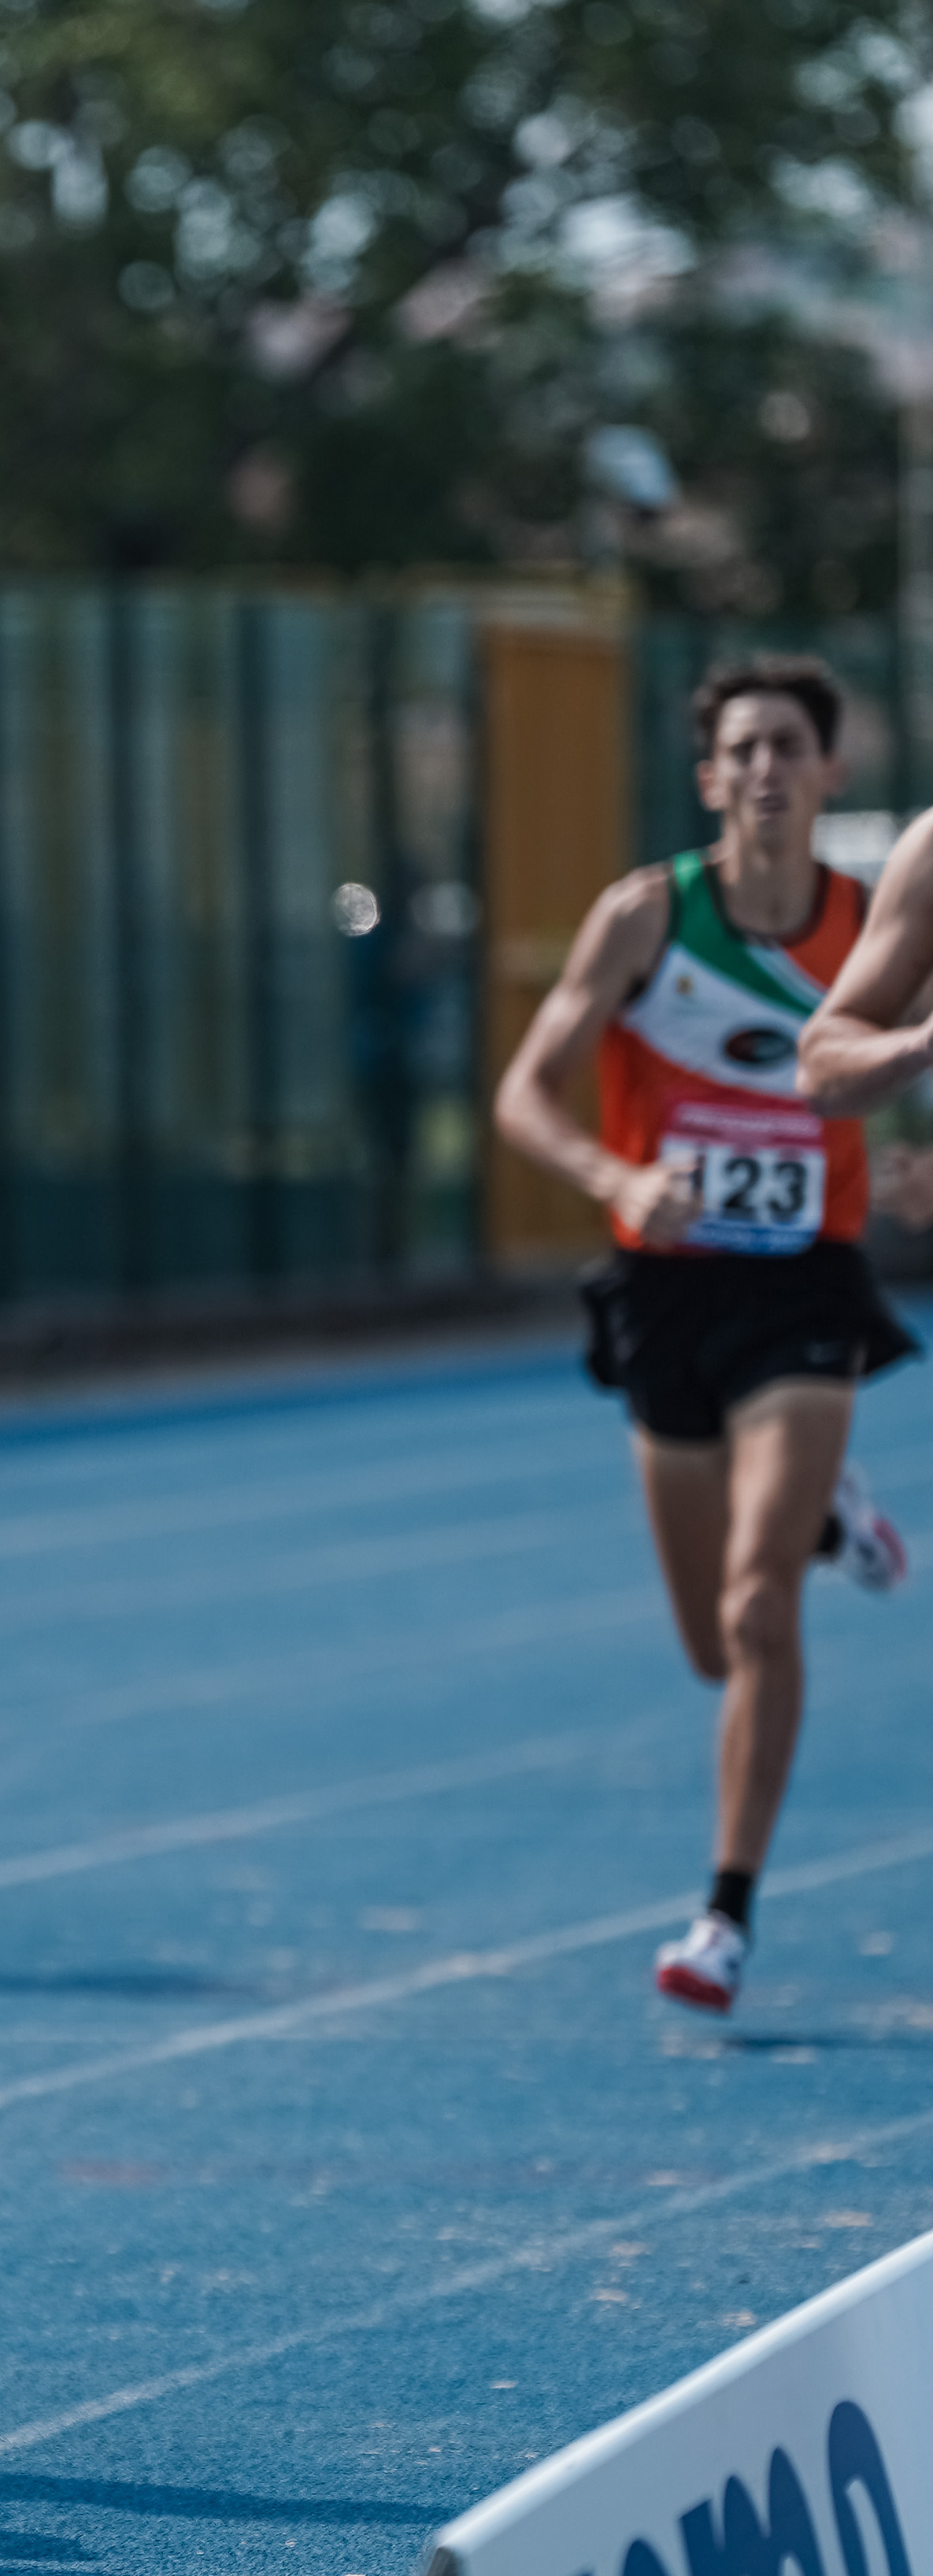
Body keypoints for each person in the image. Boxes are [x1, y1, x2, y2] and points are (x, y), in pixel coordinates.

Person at [494, 651, 913, 2019]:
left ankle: (725, 1914)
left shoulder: (870, 923)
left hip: (804, 1288)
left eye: (790, 745)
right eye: (743, 749)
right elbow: (523, 1094)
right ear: (707, 777)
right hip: (668, 1290)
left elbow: (891, 1073)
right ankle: (829, 1516)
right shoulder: (646, 919)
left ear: (832, 770)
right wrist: (615, 1177)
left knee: (757, 1607)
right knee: (707, 1648)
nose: (766, 769)